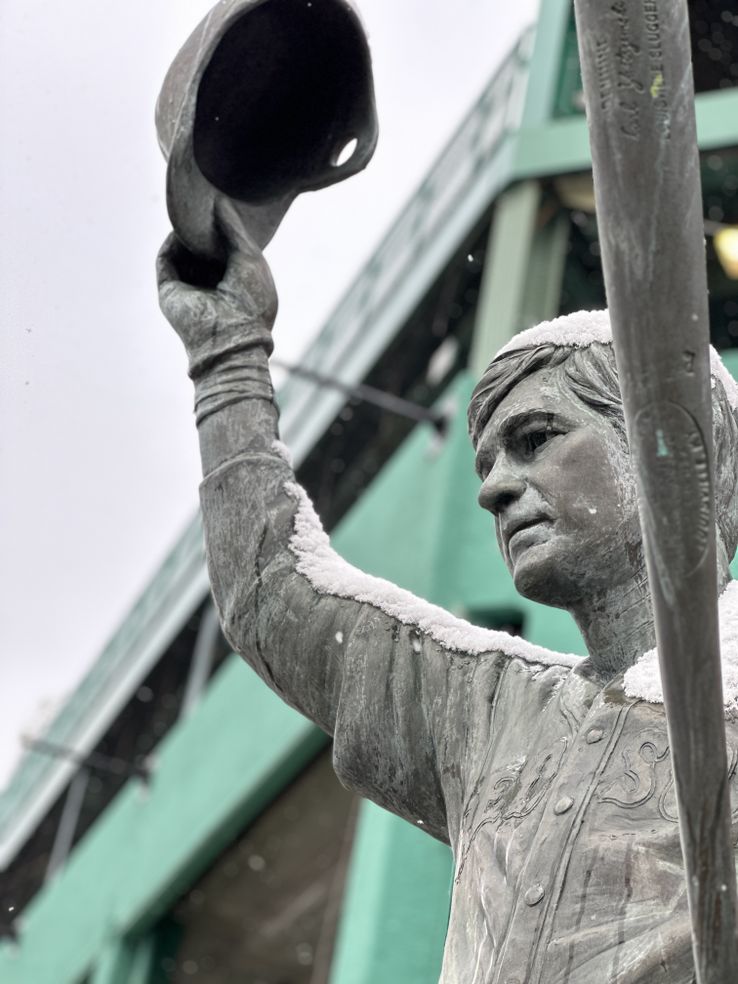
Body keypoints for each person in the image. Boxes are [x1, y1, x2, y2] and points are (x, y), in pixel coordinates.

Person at [157, 207, 738, 984]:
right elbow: (274, 596)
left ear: (674, 449)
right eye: (486, 463)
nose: (494, 488)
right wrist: (226, 355)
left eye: (535, 440)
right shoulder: (489, 712)